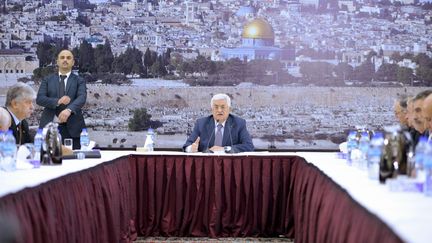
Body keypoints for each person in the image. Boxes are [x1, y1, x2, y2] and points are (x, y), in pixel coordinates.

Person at [36, 49, 87, 149]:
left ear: (73, 62)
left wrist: (69, 110)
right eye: (62, 57)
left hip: (74, 129)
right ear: (57, 61)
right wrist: (57, 101)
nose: (65, 60)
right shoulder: (47, 79)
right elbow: (40, 99)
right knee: (48, 159)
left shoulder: (79, 81)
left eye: (68, 58)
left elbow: (82, 98)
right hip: (50, 128)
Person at [183, 93, 254, 153]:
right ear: (211, 109)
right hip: (207, 164)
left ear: (229, 109)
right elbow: (186, 146)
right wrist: (191, 149)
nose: (219, 110)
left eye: (223, 107)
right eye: (216, 107)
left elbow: (249, 146)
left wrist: (225, 149)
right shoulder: (201, 123)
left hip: (229, 164)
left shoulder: (238, 123)